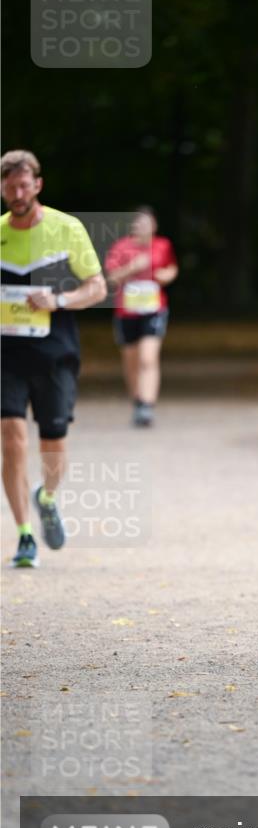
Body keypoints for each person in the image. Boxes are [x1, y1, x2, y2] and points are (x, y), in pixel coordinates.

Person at [1, 150, 106, 567]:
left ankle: (45, 496)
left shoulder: (67, 228)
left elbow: (97, 288)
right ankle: (24, 535)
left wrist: (58, 298)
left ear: (37, 185)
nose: (17, 193)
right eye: (10, 187)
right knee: (11, 435)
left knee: (53, 445)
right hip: (7, 351)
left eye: (24, 185)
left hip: (55, 349)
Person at [105, 207, 178, 427]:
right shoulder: (121, 247)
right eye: (138, 224)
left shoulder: (163, 245)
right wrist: (131, 268)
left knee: (148, 357)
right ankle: (138, 400)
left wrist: (167, 275)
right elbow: (111, 278)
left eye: (146, 224)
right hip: (126, 311)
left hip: (154, 309)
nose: (142, 228)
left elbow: (171, 268)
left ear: (154, 226)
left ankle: (147, 405)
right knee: (131, 359)